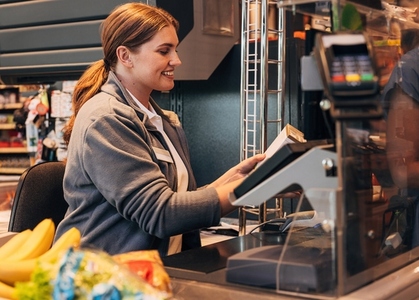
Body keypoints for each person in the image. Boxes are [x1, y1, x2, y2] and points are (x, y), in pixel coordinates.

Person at [53, 2, 265, 256]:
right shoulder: (106, 118)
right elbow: (160, 213)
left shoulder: (162, 120)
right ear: (125, 56)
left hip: (156, 270)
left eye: (175, 49)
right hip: (101, 278)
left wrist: (234, 180)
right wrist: (258, 185)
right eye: (164, 51)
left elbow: (173, 200)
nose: (176, 60)